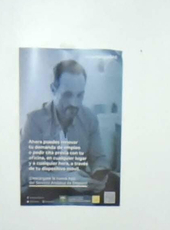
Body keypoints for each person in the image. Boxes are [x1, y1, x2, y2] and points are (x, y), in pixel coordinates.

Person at [21, 58, 111, 193]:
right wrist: (65, 179)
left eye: (80, 95)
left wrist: (99, 173)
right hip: (45, 189)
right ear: (53, 90)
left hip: (79, 189)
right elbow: (24, 171)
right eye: (67, 95)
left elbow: (99, 158)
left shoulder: (89, 118)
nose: (74, 103)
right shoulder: (34, 120)